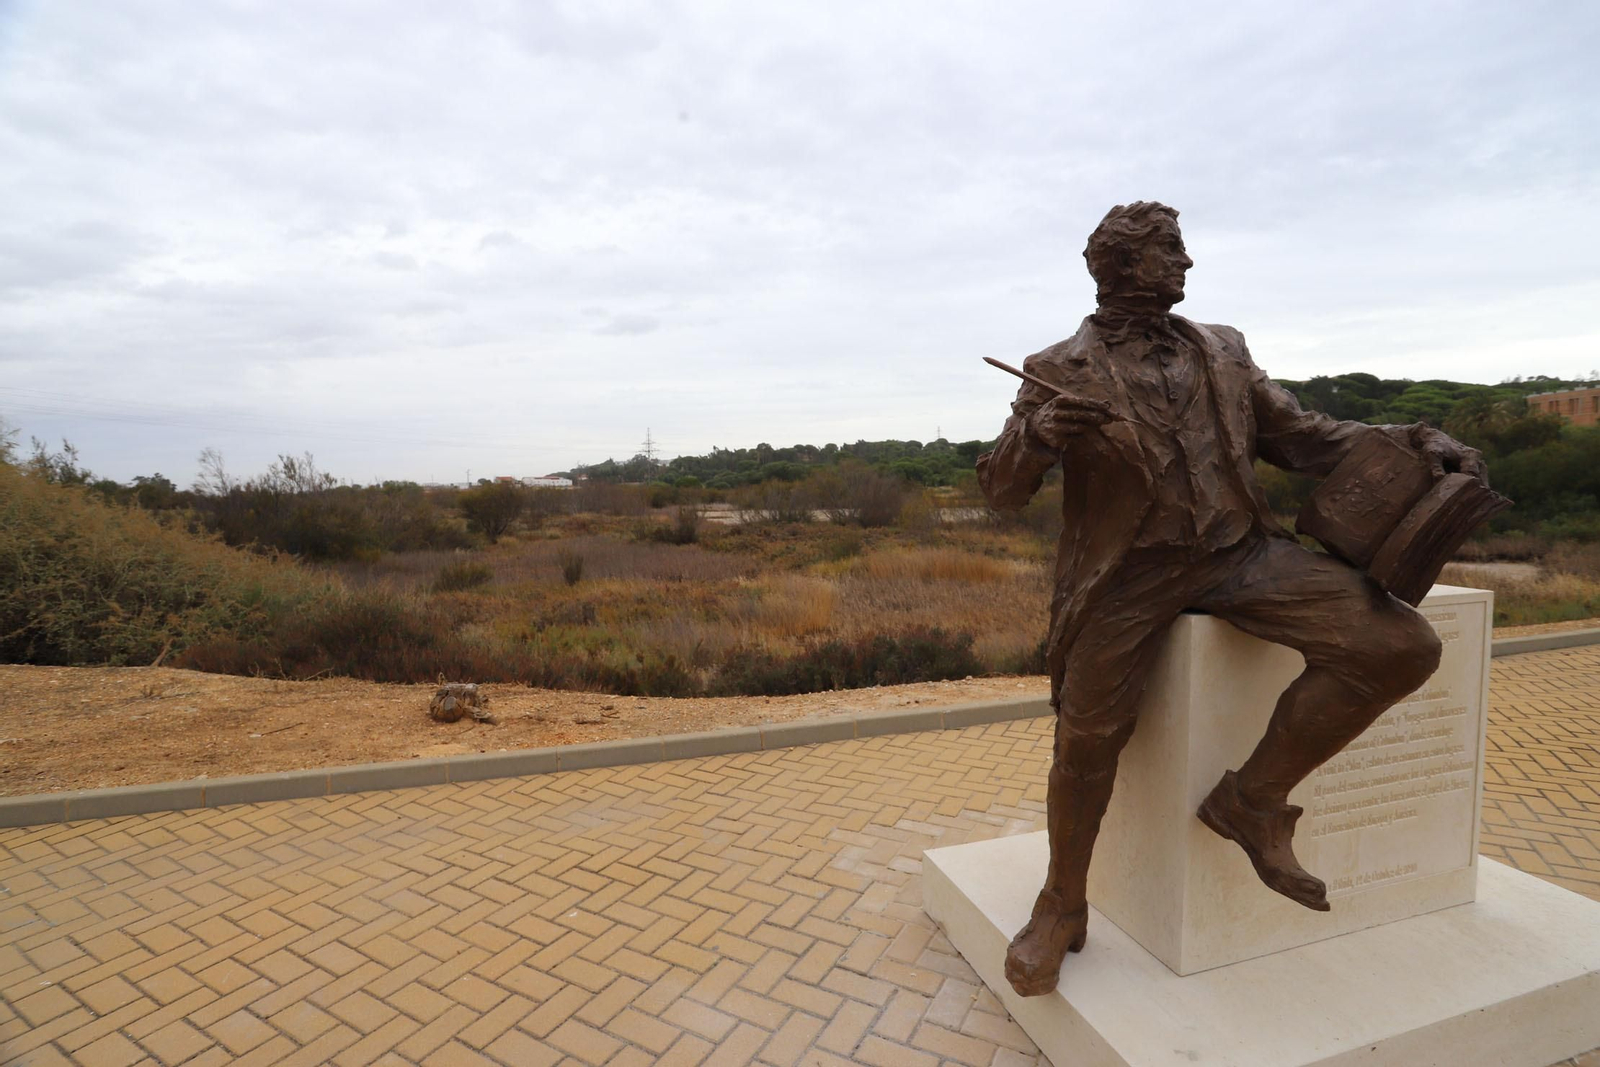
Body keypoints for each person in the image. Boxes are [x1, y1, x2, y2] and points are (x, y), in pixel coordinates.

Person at [977, 201, 1485, 997]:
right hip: (1129, 575)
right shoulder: (1058, 367)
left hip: (1240, 554)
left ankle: (1252, 799)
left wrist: (1412, 437)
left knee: (1403, 644)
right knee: (1086, 737)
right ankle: (1062, 902)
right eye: (1170, 250)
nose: (1186, 262)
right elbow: (1001, 489)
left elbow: (1304, 437)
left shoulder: (1225, 348)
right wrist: (1039, 434)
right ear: (1123, 264)